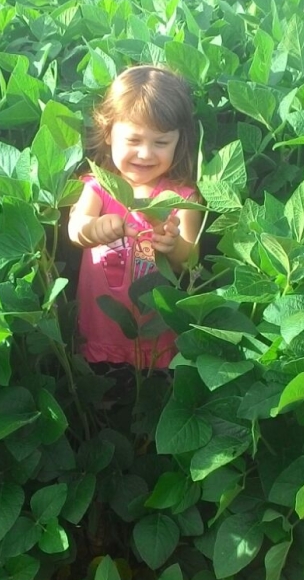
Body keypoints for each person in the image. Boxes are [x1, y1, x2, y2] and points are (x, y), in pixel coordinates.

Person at [68, 64, 203, 371]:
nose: (145, 154)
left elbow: (190, 256)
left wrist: (173, 245)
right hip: (100, 328)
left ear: (179, 142)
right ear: (109, 134)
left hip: (156, 335)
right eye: (133, 140)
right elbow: (75, 230)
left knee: (149, 398)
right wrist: (94, 228)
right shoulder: (99, 187)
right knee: (104, 393)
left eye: (161, 142)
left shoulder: (182, 198)